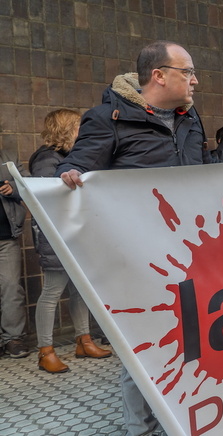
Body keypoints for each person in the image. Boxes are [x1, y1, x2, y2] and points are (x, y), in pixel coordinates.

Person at [56, 41, 223, 436]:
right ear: (159, 75)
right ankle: (140, 428)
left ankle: (177, 414)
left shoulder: (190, 119)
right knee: (147, 345)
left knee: (189, 340)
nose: (196, 80)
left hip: (190, 256)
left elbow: (201, 170)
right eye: (187, 71)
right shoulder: (108, 118)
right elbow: (76, 166)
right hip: (140, 257)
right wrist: (67, 175)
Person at [30, 109, 112, 373]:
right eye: (79, 127)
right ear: (66, 129)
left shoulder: (67, 157)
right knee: (52, 291)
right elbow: (49, 197)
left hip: (73, 233)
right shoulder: (46, 159)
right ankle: (45, 351)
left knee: (79, 290)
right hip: (56, 234)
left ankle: (83, 340)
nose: (83, 132)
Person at [0, 149, 29, 359]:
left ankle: (13, 339)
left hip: (7, 236)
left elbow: (28, 184)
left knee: (11, 288)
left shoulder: (9, 157)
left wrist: (14, 188)